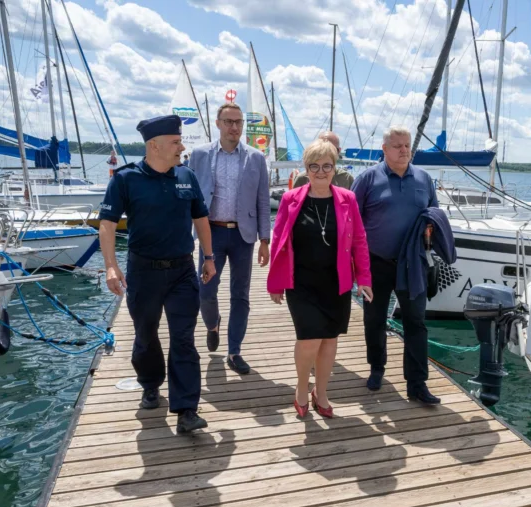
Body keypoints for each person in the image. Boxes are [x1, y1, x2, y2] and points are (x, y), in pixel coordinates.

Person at [99, 115, 216, 434]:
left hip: (181, 270)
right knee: (145, 334)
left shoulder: (186, 176)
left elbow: (201, 219)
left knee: (183, 338)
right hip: (144, 271)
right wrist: (111, 265)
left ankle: (186, 409)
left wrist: (208, 256)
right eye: (176, 142)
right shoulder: (125, 179)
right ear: (155, 146)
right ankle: (150, 383)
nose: (181, 147)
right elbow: (107, 225)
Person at [267, 139, 372, 418]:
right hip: (301, 282)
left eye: (327, 166)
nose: (321, 171)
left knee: (329, 340)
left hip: (335, 282)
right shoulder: (291, 199)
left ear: (335, 168)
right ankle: (302, 389)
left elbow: (360, 240)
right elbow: (278, 240)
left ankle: (321, 392)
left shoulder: (347, 199)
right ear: (307, 169)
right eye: (315, 166)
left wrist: (364, 279)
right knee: (309, 339)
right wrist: (275, 282)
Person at [351, 125, 441, 405]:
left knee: (416, 322)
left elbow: (435, 215)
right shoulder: (367, 178)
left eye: (407, 145)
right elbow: (351, 219)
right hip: (375, 262)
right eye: (398, 145)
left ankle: (417, 384)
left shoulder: (424, 179)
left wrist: (431, 234)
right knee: (374, 319)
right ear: (384, 150)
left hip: (412, 264)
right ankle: (377, 369)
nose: (404, 150)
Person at [190, 102, 271, 375]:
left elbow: (262, 200)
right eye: (229, 122)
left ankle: (234, 351)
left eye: (238, 122)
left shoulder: (255, 158)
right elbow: (190, 198)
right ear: (218, 123)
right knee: (206, 292)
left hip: (243, 235)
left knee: (241, 295)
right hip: (210, 233)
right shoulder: (200, 155)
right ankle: (213, 326)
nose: (234, 127)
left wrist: (265, 239)